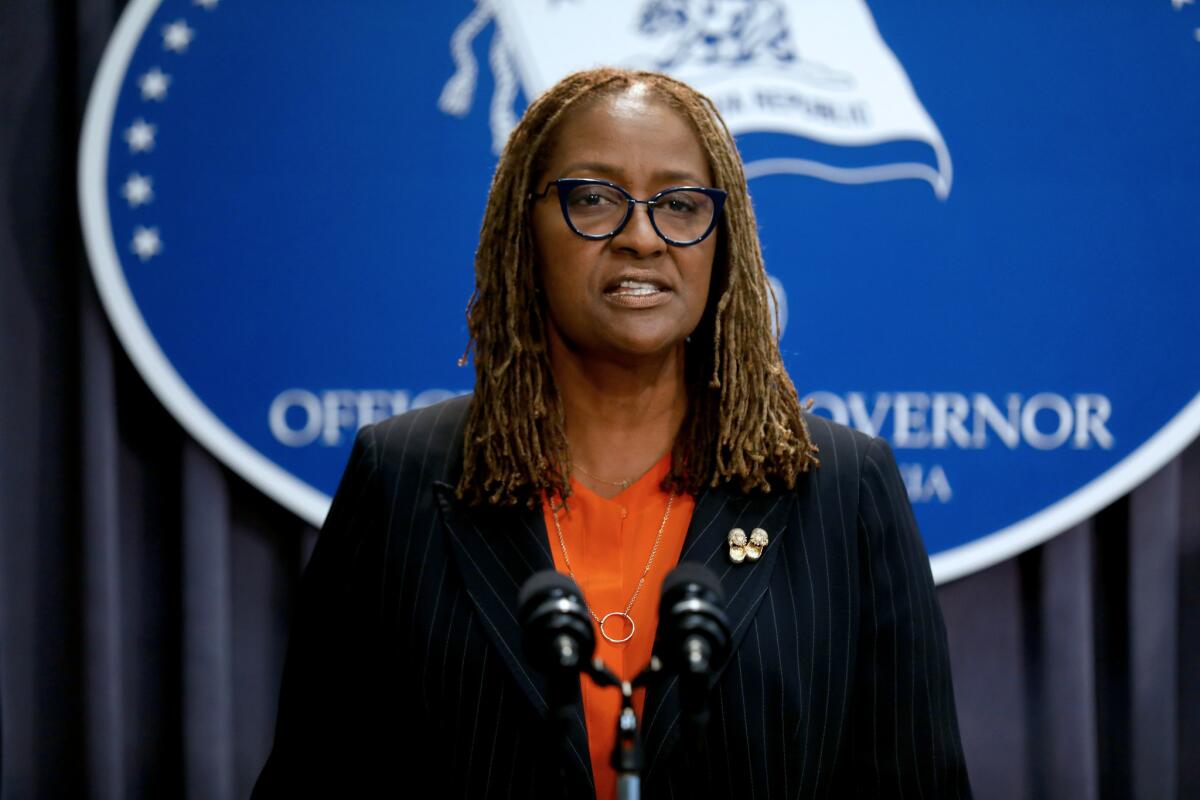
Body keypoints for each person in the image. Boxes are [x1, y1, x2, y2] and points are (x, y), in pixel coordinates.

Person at [252, 67, 971, 799]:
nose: (641, 238)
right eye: (593, 199)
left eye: (681, 205)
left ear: (723, 240)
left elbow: (913, 783)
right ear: (522, 229)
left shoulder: (842, 486)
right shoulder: (401, 475)